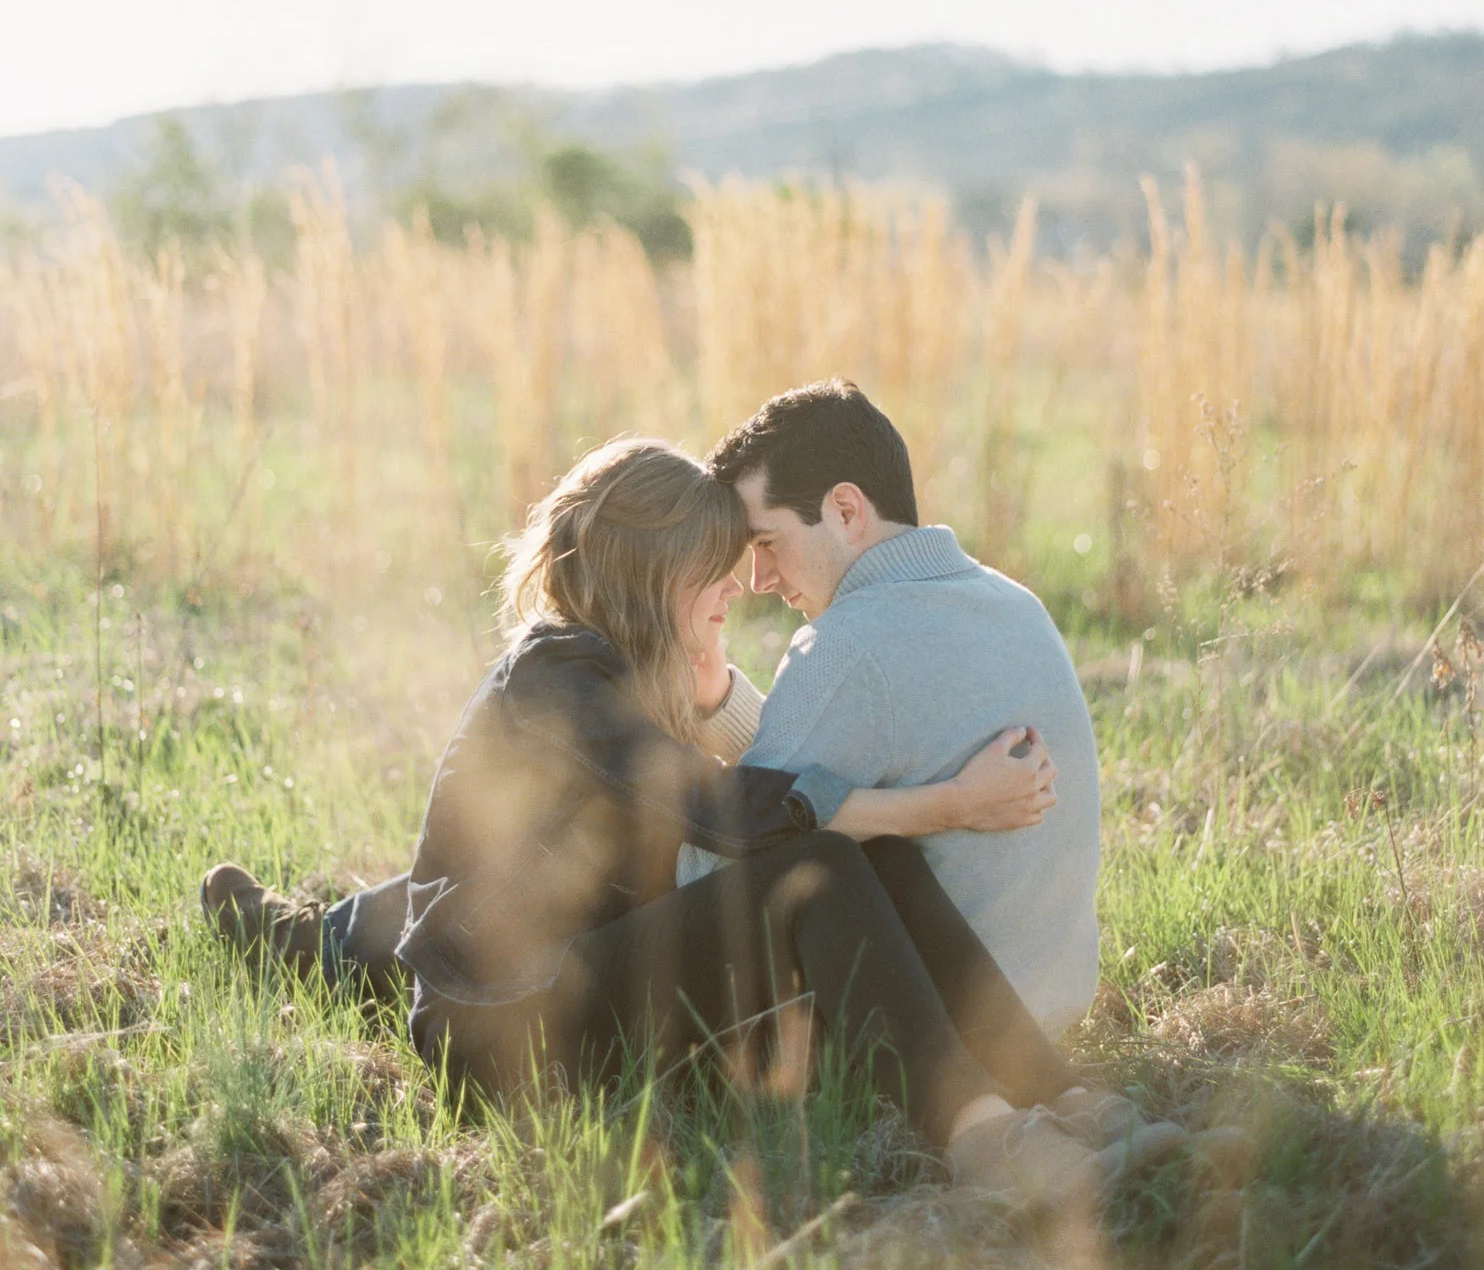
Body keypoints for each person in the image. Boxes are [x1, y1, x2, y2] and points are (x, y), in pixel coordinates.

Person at [204, 437, 1189, 1205]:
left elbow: (718, 802)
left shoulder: (616, 671)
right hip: (507, 1040)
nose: (737, 588)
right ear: (654, 570)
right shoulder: (558, 677)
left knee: (869, 855)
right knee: (817, 869)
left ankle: (1061, 1096)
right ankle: (983, 1143)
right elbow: (734, 812)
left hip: (549, 970)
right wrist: (949, 804)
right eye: (715, 569)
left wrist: (715, 694)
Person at [695, 379, 1101, 1040]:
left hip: (934, 1037)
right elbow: (815, 777)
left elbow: (717, 864)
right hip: (1049, 1011)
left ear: (845, 510)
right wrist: (721, 704)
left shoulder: (849, 646)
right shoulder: (1014, 602)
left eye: (766, 543)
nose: (760, 580)